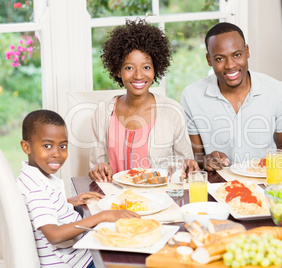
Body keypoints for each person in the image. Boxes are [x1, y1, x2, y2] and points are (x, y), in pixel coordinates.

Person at [17, 109, 139, 267]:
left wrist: (68, 202)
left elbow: (43, 208)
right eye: (47, 146)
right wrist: (104, 216)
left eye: (62, 146)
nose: (57, 154)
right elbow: (54, 235)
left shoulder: (32, 178)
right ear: (26, 147)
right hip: (77, 263)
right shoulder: (35, 188)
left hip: (79, 255)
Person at [180, 22, 282, 171]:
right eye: (220, 58)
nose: (230, 65)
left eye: (237, 55)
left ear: (247, 51)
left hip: (268, 180)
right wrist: (207, 160)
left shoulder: (277, 91)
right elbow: (197, 156)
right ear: (209, 60)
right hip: (220, 183)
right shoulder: (191, 96)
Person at [89, 19, 198, 182]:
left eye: (146, 67)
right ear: (118, 71)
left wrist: (188, 167)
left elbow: (185, 166)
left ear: (156, 69)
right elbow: (96, 167)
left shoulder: (172, 111)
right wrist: (98, 170)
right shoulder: (104, 112)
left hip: (160, 198)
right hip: (116, 199)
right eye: (129, 68)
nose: (139, 75)